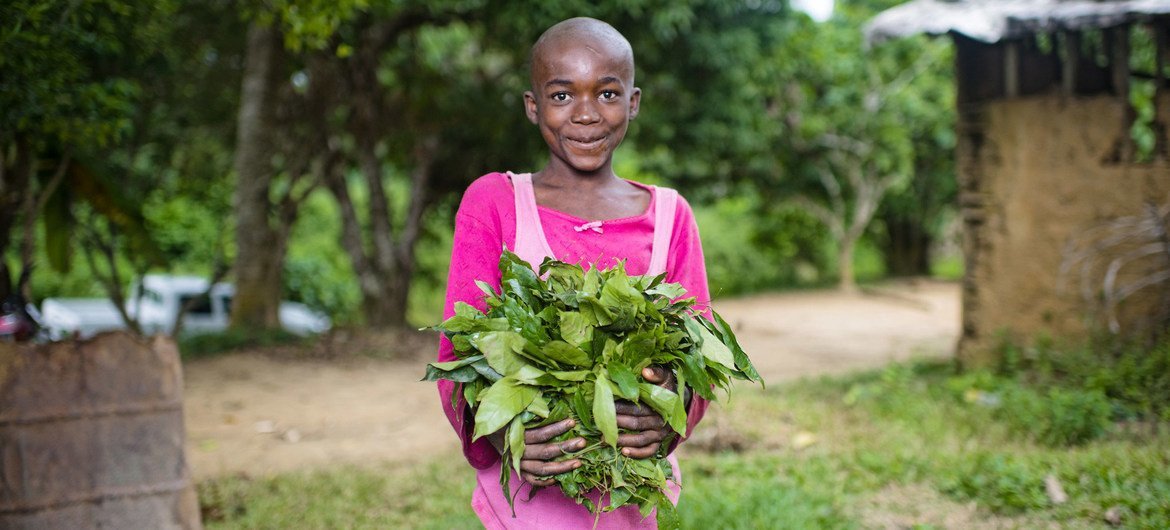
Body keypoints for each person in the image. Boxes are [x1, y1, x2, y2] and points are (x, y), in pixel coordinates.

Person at [435, 16, 711, 529]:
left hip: (634, 495)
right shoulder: (495, 202)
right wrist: (504, 436)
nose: (586, 115)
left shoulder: (671, 215)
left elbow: (698, 358)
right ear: (533, 105)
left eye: (606, 94)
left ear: (633, 102)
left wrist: (666, 416)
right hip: (530, 507)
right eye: (562, 96)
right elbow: (460, 359)